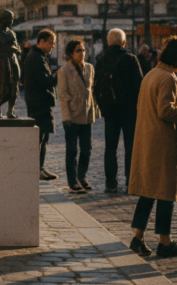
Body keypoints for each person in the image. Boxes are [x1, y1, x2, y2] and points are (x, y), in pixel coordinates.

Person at [127, 36, 177, 259]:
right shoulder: (168, 78)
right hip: (164, 142)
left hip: (149, 139)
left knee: (148, 192)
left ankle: (138, 237)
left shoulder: (151, 74)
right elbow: (166, 110)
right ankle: (165, 241)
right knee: (166, 192)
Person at [95, 29, 144, 193]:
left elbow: (95, 88)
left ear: (109, 42)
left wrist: (103, 107)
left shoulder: (101, 60)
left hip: (110, 111)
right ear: (124, 43)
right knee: (131, 146)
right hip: (129, 111)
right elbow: (140, 86)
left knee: (110, 147)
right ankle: (131, 182)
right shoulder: (130, 59)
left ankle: (111, 183)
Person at [57, 39, 97, 193]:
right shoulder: (64, 71)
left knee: (87, 149)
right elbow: (63, 95)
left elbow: (91, 91)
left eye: (83, 50)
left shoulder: (89, 68)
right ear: (71, 53)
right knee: (72, 150)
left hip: (86, 114)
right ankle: (72, 181)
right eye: (78, 51)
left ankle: (82, 177)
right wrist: (66, 117)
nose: (82, 54)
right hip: (72, 116)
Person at [24, 29, 58, 180]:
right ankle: (37, 170)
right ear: (42, 42)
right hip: (39, 102)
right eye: (51, 42)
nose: (53, 46)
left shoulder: (38, 56)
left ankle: (40, 168)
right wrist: (59, 75)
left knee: (43, 138)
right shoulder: (37, 57)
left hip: (38, 101)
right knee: (40, 138)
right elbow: (44, 80)